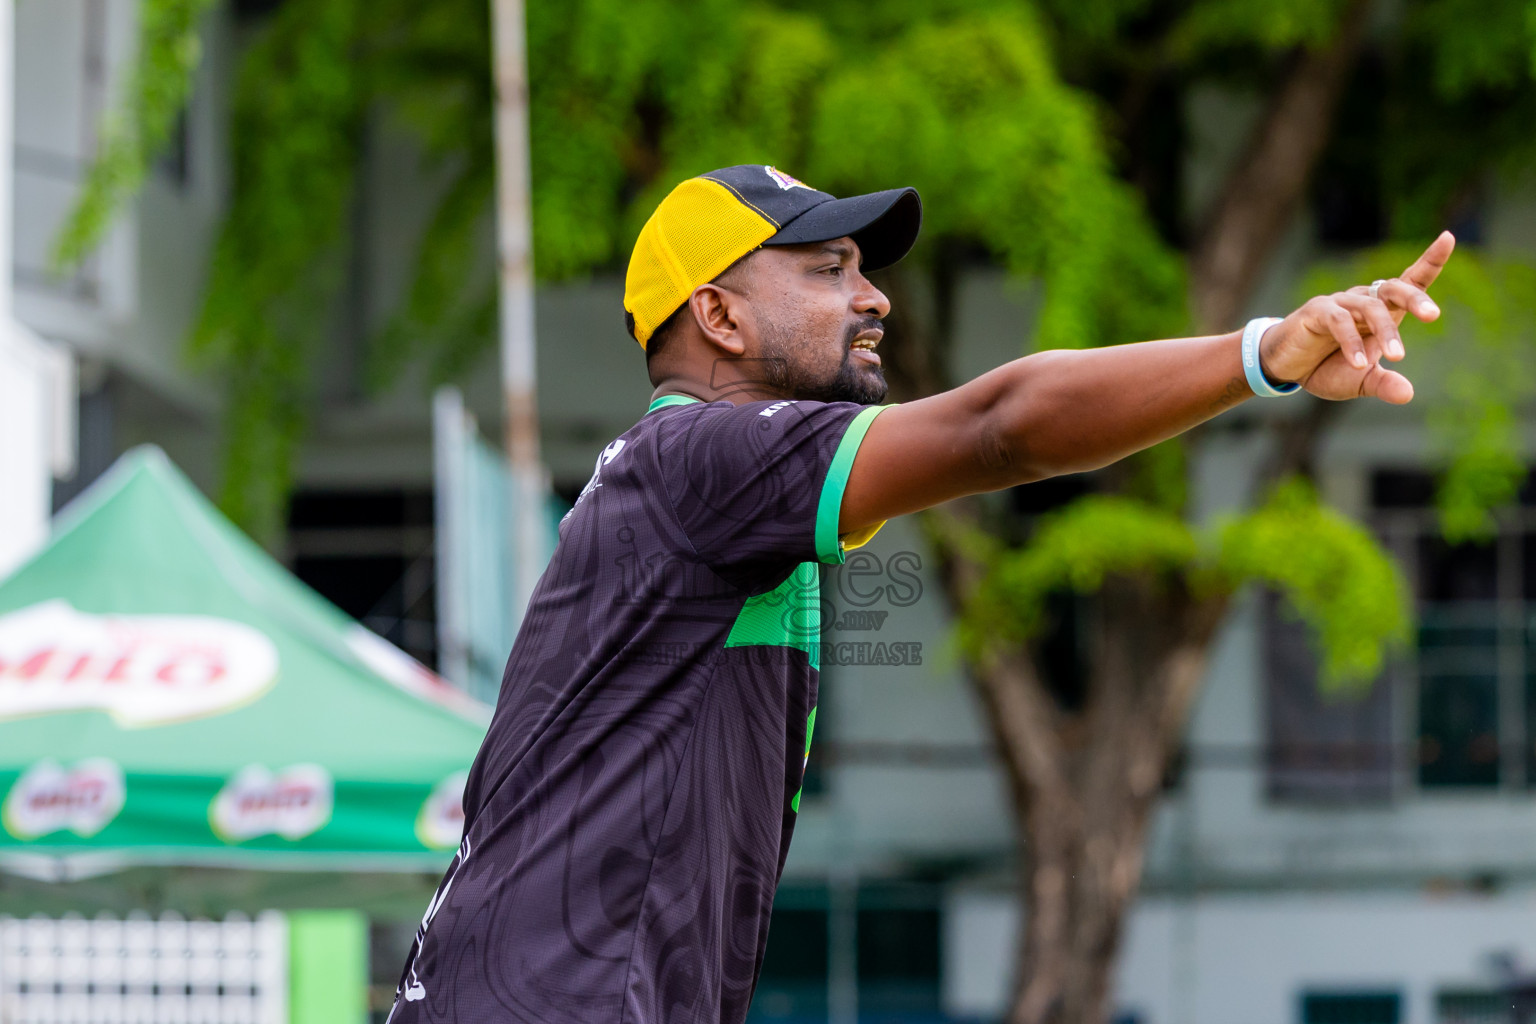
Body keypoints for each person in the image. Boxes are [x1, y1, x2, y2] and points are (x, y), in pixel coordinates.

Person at [388, 164, 1453, 1023]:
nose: (873, 294)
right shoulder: (696, 460)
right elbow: (1005, 427)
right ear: (716, 312)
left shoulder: (705, 489)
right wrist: (1263, 354)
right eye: (826, 268)